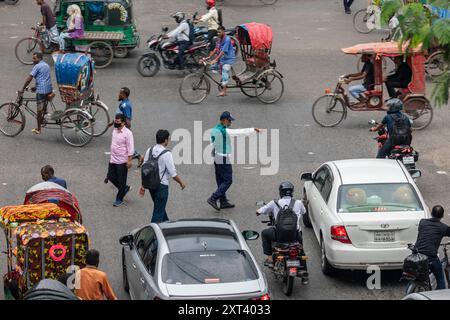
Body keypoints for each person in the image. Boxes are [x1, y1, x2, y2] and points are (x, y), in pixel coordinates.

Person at [207, 112, 262, 211]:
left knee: (221, 180)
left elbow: (212, 143)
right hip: (223, 157)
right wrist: (253, 130)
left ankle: (223, 201)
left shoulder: (215, 129)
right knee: (228, 180)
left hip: (216, 156)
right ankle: (213, 198)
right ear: (224, 120)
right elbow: (238, 132)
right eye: (229, 120)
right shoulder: (224, 131)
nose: (230, 123)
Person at [256, 182, 308, 284]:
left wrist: (258, 211)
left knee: (264, 233)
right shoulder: (298, 203)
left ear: (280, 192)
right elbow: (304, 212)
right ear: (292, 192)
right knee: (301, 251)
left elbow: (260, 211)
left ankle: (270, 258)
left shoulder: (274, 203)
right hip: (295, 235)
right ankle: (304, 274)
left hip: (279, 236)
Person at [139, 130, 186, 223]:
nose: (168, 140)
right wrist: (181, 183)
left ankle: (167, 224)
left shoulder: (150, 150)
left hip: (151, 185)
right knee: (158, 212)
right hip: (161, 187)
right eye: (168, 139)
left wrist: (143, 185)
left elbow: (145, 169)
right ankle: (152, 235)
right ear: (165, 140)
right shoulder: (166, 154)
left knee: (159, 207)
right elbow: (173, 173)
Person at [415, 205, 450, 290]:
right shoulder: (443, 228)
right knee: (440, 278)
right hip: (430, 257)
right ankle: (440, 296)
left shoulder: (422, 222)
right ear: (442, 216)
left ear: (431, 213)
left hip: (416, 254)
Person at [108, 87, 143, 166]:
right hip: (120, 127)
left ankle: (138, 156)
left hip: (123, 128)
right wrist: (112, 122)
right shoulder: (123, 103)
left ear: (124, 95)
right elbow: (120, 116)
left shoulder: (125, 105)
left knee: (126, 145)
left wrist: (126, 129)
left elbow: (127, 119)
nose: (118, 94)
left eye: (120, 93)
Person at [19, 52, 53, 135]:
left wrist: (22, 89)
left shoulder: (37, 66)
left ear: (39, 58)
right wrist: (35, 87)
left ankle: (38, 129)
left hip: (41, 90)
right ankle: (44, 112)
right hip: (49, 88)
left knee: (39, 110)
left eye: (34, 58)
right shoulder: (46, 65)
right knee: (44, 104)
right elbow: (43, 77)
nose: (33, 60)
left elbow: (29, 78)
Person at [106, 114, 134, 207]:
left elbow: (130, 148)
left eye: (118, 122)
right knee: (110, 177)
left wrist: (129, 160)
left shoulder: (128, 133)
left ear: (123, 122)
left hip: (122, 161)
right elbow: (114, 122)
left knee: (121, 181)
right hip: (113, 159)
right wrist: (111, 123)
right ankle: (124, 188)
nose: (116, 123)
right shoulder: (115, 128)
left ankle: (119, 199)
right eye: (115, 121)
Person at [204, 26, 235, 97]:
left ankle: (224, 91)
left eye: (219, 32)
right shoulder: (219, 38)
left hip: (228, 59)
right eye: (217, 32)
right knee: (214, 67)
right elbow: (216, 48)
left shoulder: (227, 39)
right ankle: (224, 79)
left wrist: (216, 59)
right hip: (222, 58)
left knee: (224, 70)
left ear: (223, 32)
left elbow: (223, 51)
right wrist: (209, 57)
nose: (218, 33)